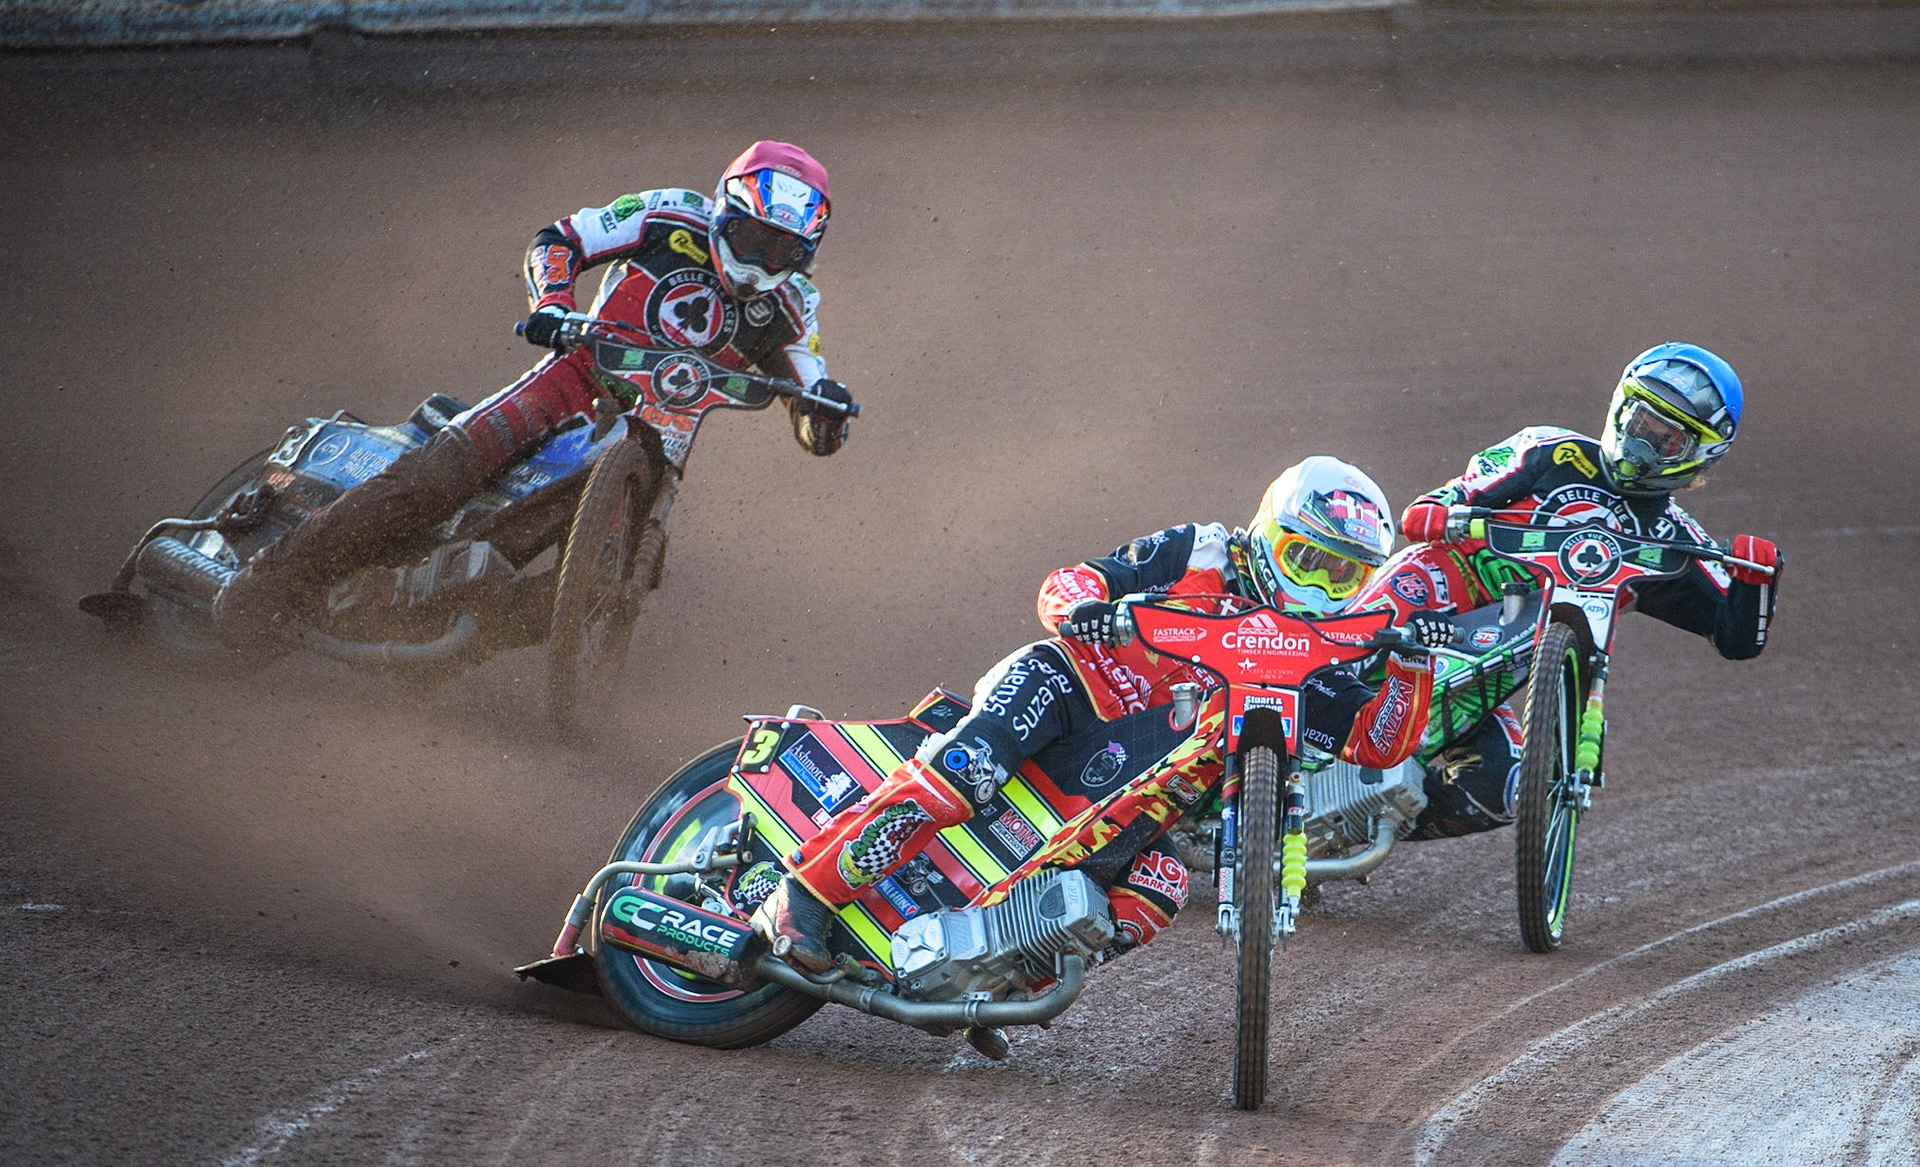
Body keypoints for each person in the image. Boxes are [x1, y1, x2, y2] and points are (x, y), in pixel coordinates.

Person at [753, 456, 1456, 976]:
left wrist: (1413, 663)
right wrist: (1088, 611)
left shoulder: (1315, 655)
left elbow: (1377, 742)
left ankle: (990, 974)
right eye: (1307, 559)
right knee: (967, 775)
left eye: (1343, 576)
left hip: (1139, 797)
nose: (1319, 586)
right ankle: (804, 893)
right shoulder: (1202, 550)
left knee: (1160, 889)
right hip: (1071, 694)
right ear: (1271, 531)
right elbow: (1074, 581)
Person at [214, 140, 854, 646]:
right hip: (575, 375)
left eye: (782, 250)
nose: (763, 260)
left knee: (620, 582)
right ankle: (262, 582)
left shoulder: (796, 304)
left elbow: (811, 383)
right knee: (434, 480)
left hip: (663, 442)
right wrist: (552, 303)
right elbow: (562, 239)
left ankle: (455, 638)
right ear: (723, 212)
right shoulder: (667, 213)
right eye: (752, 239)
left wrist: (823, 418)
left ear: (804, 254)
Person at [1349, 341, 1782, 840]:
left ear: (1699, 456)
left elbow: (1736, 637)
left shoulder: (1676, 541)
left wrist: (1756, 579)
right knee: (1375, 619)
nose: (1643, 446)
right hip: (1450, 581)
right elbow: (1459, 493)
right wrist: (1439, 509)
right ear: (1622, 410)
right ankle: (1281, 708)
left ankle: (1358, 827)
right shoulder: (1554, 450)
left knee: (1506, 782)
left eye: (1666, 442)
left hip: (1504, 656)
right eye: (1642, 425)